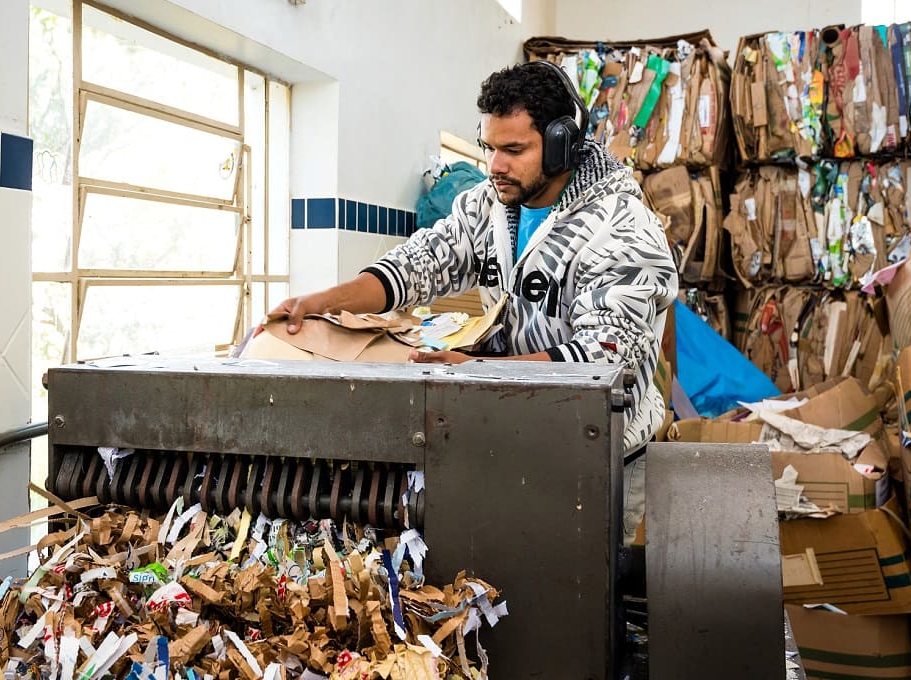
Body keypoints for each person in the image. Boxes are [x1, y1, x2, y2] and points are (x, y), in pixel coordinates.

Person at [269, 61, 678, 541]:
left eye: (513, 149)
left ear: (564, 142)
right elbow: (419, 263)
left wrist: (476, 372)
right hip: (510, 435)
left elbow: (602, 363)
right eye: (489, 147)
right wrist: (319, 301)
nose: (495, 165)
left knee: (576, 599)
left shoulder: (623, 227)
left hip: (594, 457)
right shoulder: (488, 205)